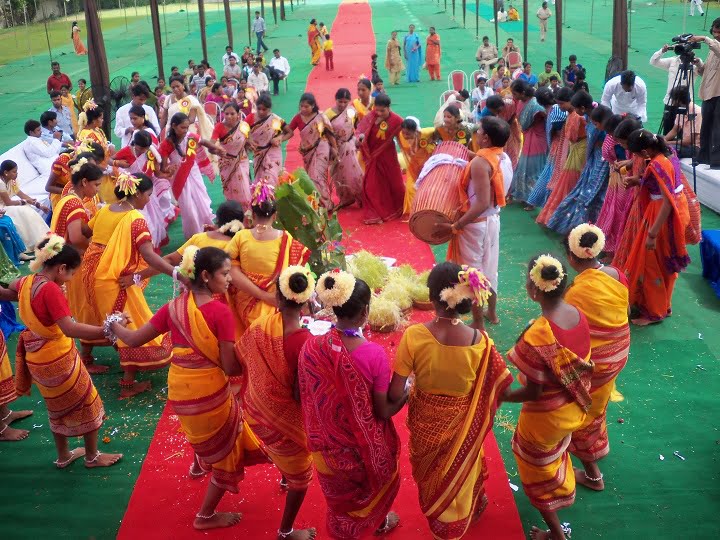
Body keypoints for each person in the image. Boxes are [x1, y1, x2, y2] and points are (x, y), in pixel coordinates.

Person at [110, 246, 265, 530]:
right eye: (225, 273)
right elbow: (231, 369)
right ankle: (205, 516)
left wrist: (114, 323)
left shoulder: (173, 308)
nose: (230, 279)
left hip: (180, 391)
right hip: (208, 391)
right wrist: (255, 357)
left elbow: (132, 340)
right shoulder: (220, 312)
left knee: (205, 431)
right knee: (227, 447)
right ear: (205, 275)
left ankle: (198, 464)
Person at [389, 262, 512, 536]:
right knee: (463, 467)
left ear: (432, 297)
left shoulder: (414, 336)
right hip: (463, 424)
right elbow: (497, 387)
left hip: (425, 424)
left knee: (432, 474)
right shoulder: (481, 341)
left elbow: (396, 392)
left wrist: (410, 387)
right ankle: (464, 510)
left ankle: (443, 523)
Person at [298, 270, 403, 538]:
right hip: (360, 452)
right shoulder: (373, 354)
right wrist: (406, 395)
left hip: (326, 452)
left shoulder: (311, 347)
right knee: (377, 484)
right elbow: (383, 410)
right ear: (365, 311)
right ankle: (377, 522)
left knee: (340, 503)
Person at [503, 254, 593, 540]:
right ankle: (587, 477)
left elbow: (532, 391)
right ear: (563, 284)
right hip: (575, 410)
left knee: (535, 472)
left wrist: (502, 396)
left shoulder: (538, 335)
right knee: (558, 448)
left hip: (545, 421)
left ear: (533, 290)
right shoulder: (579, 316)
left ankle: (556, 534)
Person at [11, 236, 122, 468]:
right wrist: (108, 328)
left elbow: (8, 291)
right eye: (71, 274)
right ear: (61, 268)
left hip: (36, 358)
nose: (71, 279)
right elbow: (70, 328)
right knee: (86, 402)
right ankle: (92, 457)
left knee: (56, 408)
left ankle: (64, 456)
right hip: (56, 358)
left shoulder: (27, 282)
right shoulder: (50, 290)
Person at [238, 266, 318, 540]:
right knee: (302, 479)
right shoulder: (303, 341)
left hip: (254, 411)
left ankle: (284, 472)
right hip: (280, 423)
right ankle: (286, 532)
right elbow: (300, 395)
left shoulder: (261, 326)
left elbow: (244, 360)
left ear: (278, 297)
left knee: (287, 453)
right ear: (307, 302)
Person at [89, 173, 179, 395]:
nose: (149, 200)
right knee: (131, 325)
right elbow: (148, 255)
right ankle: (127, 384)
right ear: (137, 193)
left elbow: (88, 232)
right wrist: (176, 273)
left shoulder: (105, 209)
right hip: (115, 279)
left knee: (119, 322)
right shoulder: (134, 219)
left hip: (95, 273)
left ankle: (121, 371)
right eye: (148, 195)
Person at [563, 223, 630, 491]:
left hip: (598, 364)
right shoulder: (616, 274)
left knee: (582, 409)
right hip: (619, 353)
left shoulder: (576, 292)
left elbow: (569, 333)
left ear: (570, 257)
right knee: (596, 405)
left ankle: (592, 474)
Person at [442, 116, 512, 325]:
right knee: (491, 269)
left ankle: (478, 322)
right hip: (493, 220)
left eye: (479, 131)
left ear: (486, 139)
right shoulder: (503, 157)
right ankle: (492, 313)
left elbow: (480, 203)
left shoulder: (481, 164)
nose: (476, 134)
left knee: (473, 272)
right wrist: (463, 153)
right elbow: (485, 166)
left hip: (476, 225)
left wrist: (457, 225)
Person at [621, 130, 690, 325]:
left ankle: (655, 311)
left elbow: (667, 201)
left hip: (661, 215)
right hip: (664, 210)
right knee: (662, 261)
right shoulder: (665, 153)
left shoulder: (659, 164)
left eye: (636, 154)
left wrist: (652, 234)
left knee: (652, 262)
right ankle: (662, 305)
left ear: (644, 152)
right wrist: (638, 181)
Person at [225, 182, 309, 337]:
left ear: (253, 214)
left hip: (244, 306)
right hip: (277, 306)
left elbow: (228, 269)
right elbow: (296, 276)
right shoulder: (286, 238)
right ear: (275, 216)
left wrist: (259, 294)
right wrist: (266, 296)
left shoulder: (241, 236)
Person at [547, 105, 614, 234]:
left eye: (595, 124)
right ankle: (575, 226)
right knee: (585, 192)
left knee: (594, 195)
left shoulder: (609, 135)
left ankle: (589, 229)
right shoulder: (593, 124)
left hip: (602, 165)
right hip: (594, 161)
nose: (594, 126)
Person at [537, 90, 592, 226]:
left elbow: (579, 135)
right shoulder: (572, 115)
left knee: (569, 181)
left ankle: (564, 219)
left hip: (580, 150)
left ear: (570, 101)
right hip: (574, 149)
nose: (560, 107)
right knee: (566, 181)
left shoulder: (579, 117)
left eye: (562, 104)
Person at [160, 113, 215, 239]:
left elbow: (203, 141)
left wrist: (215, 148)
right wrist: (169, 168)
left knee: (203, 204)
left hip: (194, 174)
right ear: (174, 126)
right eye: (182, 128)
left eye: (187, 127)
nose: (185, 131)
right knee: (189, 211)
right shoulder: (166, 144)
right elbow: (163, 168)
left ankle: (208, 231)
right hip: (179, 179)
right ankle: (194, 237)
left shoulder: (190, 137)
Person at [358, 94, 405, 224]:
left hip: (388, 156)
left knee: (394, 184)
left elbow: (405, 138)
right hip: (371, 156)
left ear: (388, 108)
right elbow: (360, 130)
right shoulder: (371, 116)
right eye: (376, 109)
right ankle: (376, 212)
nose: (378, 113)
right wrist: (360, 137)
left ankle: (397, 208)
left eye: (382, 111)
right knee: (371, 186)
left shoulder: (397, 120)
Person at [283, 93, 336, 209]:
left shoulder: (320, 116)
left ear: (313, 106)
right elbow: (289, 131)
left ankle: (325, 203)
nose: (303, 109)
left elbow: (329, 133)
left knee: (317, 176)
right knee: (311, 178)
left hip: (322, 147)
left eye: (306, 106)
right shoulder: (298, 118)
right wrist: (279, 139)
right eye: (301, 106)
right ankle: (317, 203)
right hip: (307, 152)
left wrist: (335, 148)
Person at [203, 102, 252, 209]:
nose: (229, 116)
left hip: (241, 161)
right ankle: (234, 212)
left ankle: (247, 212)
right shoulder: (219, 127)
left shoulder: (244, 126)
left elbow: (248, 142)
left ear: (238, 114)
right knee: (230, 189)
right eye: (226, 114)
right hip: (226, 163)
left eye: (232, 114)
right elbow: (211, 147)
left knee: (244, 188)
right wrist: (217, 151)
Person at [526, 88, 569, 209]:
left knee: (549, 174)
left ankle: (538, 202)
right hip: (559, 146)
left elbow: (560, 130)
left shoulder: (554, 110)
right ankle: (548, 205)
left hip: (558, 146)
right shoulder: (555, 109)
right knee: (552, 175)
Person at [511, 81, 548, 209]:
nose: (513, 96)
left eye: (515, 93)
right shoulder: (521, 102)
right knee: (523, 167)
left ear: (523, 92)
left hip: (538, 138)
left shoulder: (535, 104)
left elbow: (546, 114)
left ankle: (534, 201)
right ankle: (524, 196)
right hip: (528, 137)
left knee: (535, 169)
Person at [326, 88, 364, 209]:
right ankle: (346, 198)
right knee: (338, 174)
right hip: (336, 148)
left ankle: (362, 198)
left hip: (350, 146)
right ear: (335, 100)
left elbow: (358, 126)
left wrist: (359, 139)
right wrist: (332, 149)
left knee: (354, 174)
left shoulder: (352, 111)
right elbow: (325, 134)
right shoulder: (328, 115)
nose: (342, 104)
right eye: (340, 101)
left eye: (345, 102)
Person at [0, 160, 50, 251]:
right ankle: (29, 244)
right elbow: (8, 202)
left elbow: (21, 195)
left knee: (27, 209)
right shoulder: (0, 183)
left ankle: (43, 239)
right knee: (23, 210)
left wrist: (39, 205)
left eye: (17, 171)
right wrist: (23, 202)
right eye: (14, 172)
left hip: (9, 205)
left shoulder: (12, 181)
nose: (16, 174)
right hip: (2, 208)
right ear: (6, 172)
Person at [690, 23, 720, 168]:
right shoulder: (712, 49)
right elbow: (704, 73)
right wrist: (698, 63)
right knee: (705, 128)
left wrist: (704, 38)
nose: (716, 35)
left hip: (718, 94)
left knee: (717, 129)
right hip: (708, 94)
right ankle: (704, 158)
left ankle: (716, 161)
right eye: (714, 32)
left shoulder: (715, 46)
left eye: (719, 32)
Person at [650, 44, 695, 134]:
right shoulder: (672, 61)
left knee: (683, 132)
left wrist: (697, 62)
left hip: (685, 103)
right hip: (670, 101)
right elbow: (653, 62)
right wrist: (662, 51)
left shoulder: (694, 64)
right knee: (667, 129)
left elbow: (702, 72)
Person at [398, 116, 435, 217]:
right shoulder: (400, 135)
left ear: (415, 131)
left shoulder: (425, 133)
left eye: (408, 133)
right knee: (411, 188)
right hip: (413, 165)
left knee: (427, 187)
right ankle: (414, 212)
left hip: (427, 165)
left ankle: (428, 208)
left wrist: (433, 140)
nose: (405, 136)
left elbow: (438, 130)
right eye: (404, 132)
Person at [247, 93, 286, 185]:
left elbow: (289, 132)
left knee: (272, 178)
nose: (261, 112)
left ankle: (273, 198)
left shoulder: (274, 119)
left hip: (273, 152)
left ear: (269, 109)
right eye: (259, 109)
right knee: (260, 182)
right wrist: (249, 140)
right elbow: (242, 130)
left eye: (264, 109)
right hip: (258, 154)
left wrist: (280, 138)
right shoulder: (250, 118)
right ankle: (264, 199)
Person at [162, 75, 214, 143]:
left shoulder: (191, 99)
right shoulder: (168, 99)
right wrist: (161, 132)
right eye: (173, 87)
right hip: (170, 130)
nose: (175, 89)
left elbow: (191, 119)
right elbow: (163, 118)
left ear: (183, 86)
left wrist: (178, 128)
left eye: (178, 86)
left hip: (187, 130)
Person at [664, 86, 702, 159]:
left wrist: (667, 143)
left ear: (678, 100)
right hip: (684, 144)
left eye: (673, 99)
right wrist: (663, 140)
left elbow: (689, 141)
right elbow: (675, 130)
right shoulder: (681, 110)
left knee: (667, 150)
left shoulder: (697, 112)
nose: (672, 102)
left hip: (695, 147)